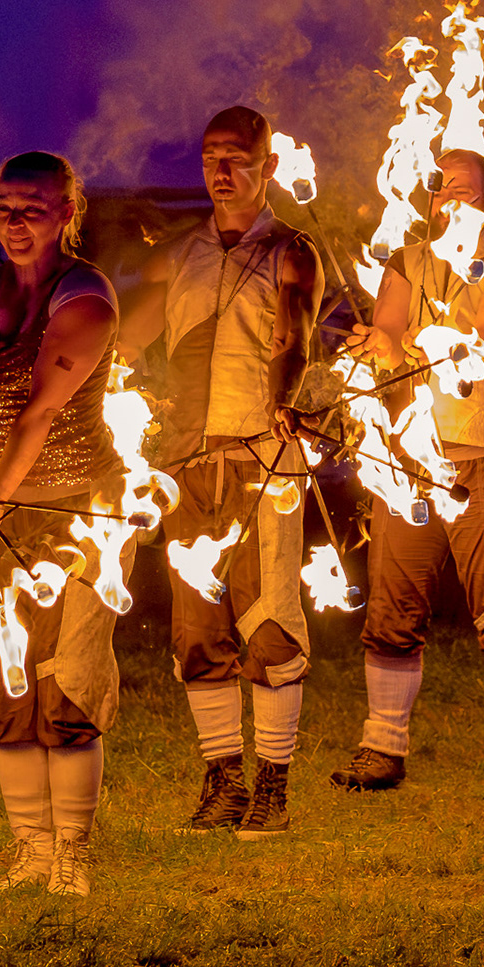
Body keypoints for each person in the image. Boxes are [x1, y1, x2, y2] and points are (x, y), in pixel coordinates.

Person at [330, 148, 484, 796]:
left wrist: (400, 344)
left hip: (481, 449)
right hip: (407, 456)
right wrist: (379, 344)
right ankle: (383, 747)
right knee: (393, 601)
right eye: (438, 190)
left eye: (462, 188)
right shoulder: (407, 260)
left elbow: (482, 342)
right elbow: (389, 331)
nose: (447, 199)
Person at [123, 106, 322, 838]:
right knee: (196, 629)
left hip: (260, 459)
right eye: (211, 156)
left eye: (238, 157)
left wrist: (282, 401)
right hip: (187, 462)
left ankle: (273, 786)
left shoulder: (290, 250)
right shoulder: (182, 254)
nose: (222, 169)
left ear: (268, 167)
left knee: (270, 621)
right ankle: (224, 782)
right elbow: (128, 334)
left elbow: (293, 335)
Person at [0, 150, 126, 897]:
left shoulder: (87, 294)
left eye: (32, 208)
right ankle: (30, 847)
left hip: (83, 508)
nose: (15, 223)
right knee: (3, 681)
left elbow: (45, 409)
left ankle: (73, 852)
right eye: (3, 207)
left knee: (70, 683)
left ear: (66, 212)